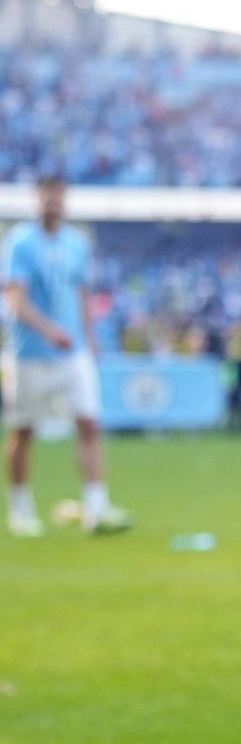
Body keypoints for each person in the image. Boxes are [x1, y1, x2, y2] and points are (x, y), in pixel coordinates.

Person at [3, 175, 129, 537]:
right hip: (31, 353)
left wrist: (89, 340)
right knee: (23, 430)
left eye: (58, 196)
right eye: (47, 196)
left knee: (88, 424)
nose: (53, 203)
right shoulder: (21, 243)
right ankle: (21, 508)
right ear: (37, 199)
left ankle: (96, 508)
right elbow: (15, 300)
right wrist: (48, 330)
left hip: (73, 353)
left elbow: (81, 294)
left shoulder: (77, 244)